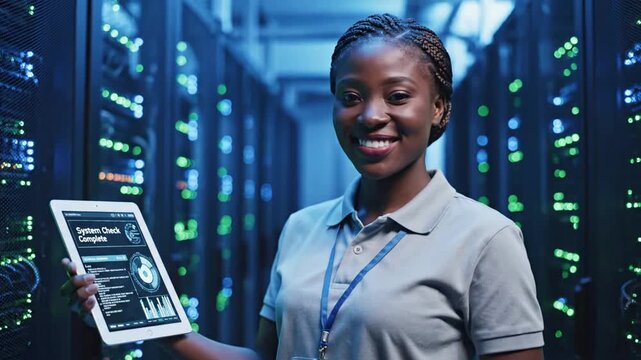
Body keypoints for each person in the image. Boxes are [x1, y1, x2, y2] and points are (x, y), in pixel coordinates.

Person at [61, 13, 544, 360]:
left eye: (398, 96)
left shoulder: (486, 238)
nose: (371, 115)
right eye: (350, 97)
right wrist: (153, 321)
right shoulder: (302, 227)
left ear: (438, 108)